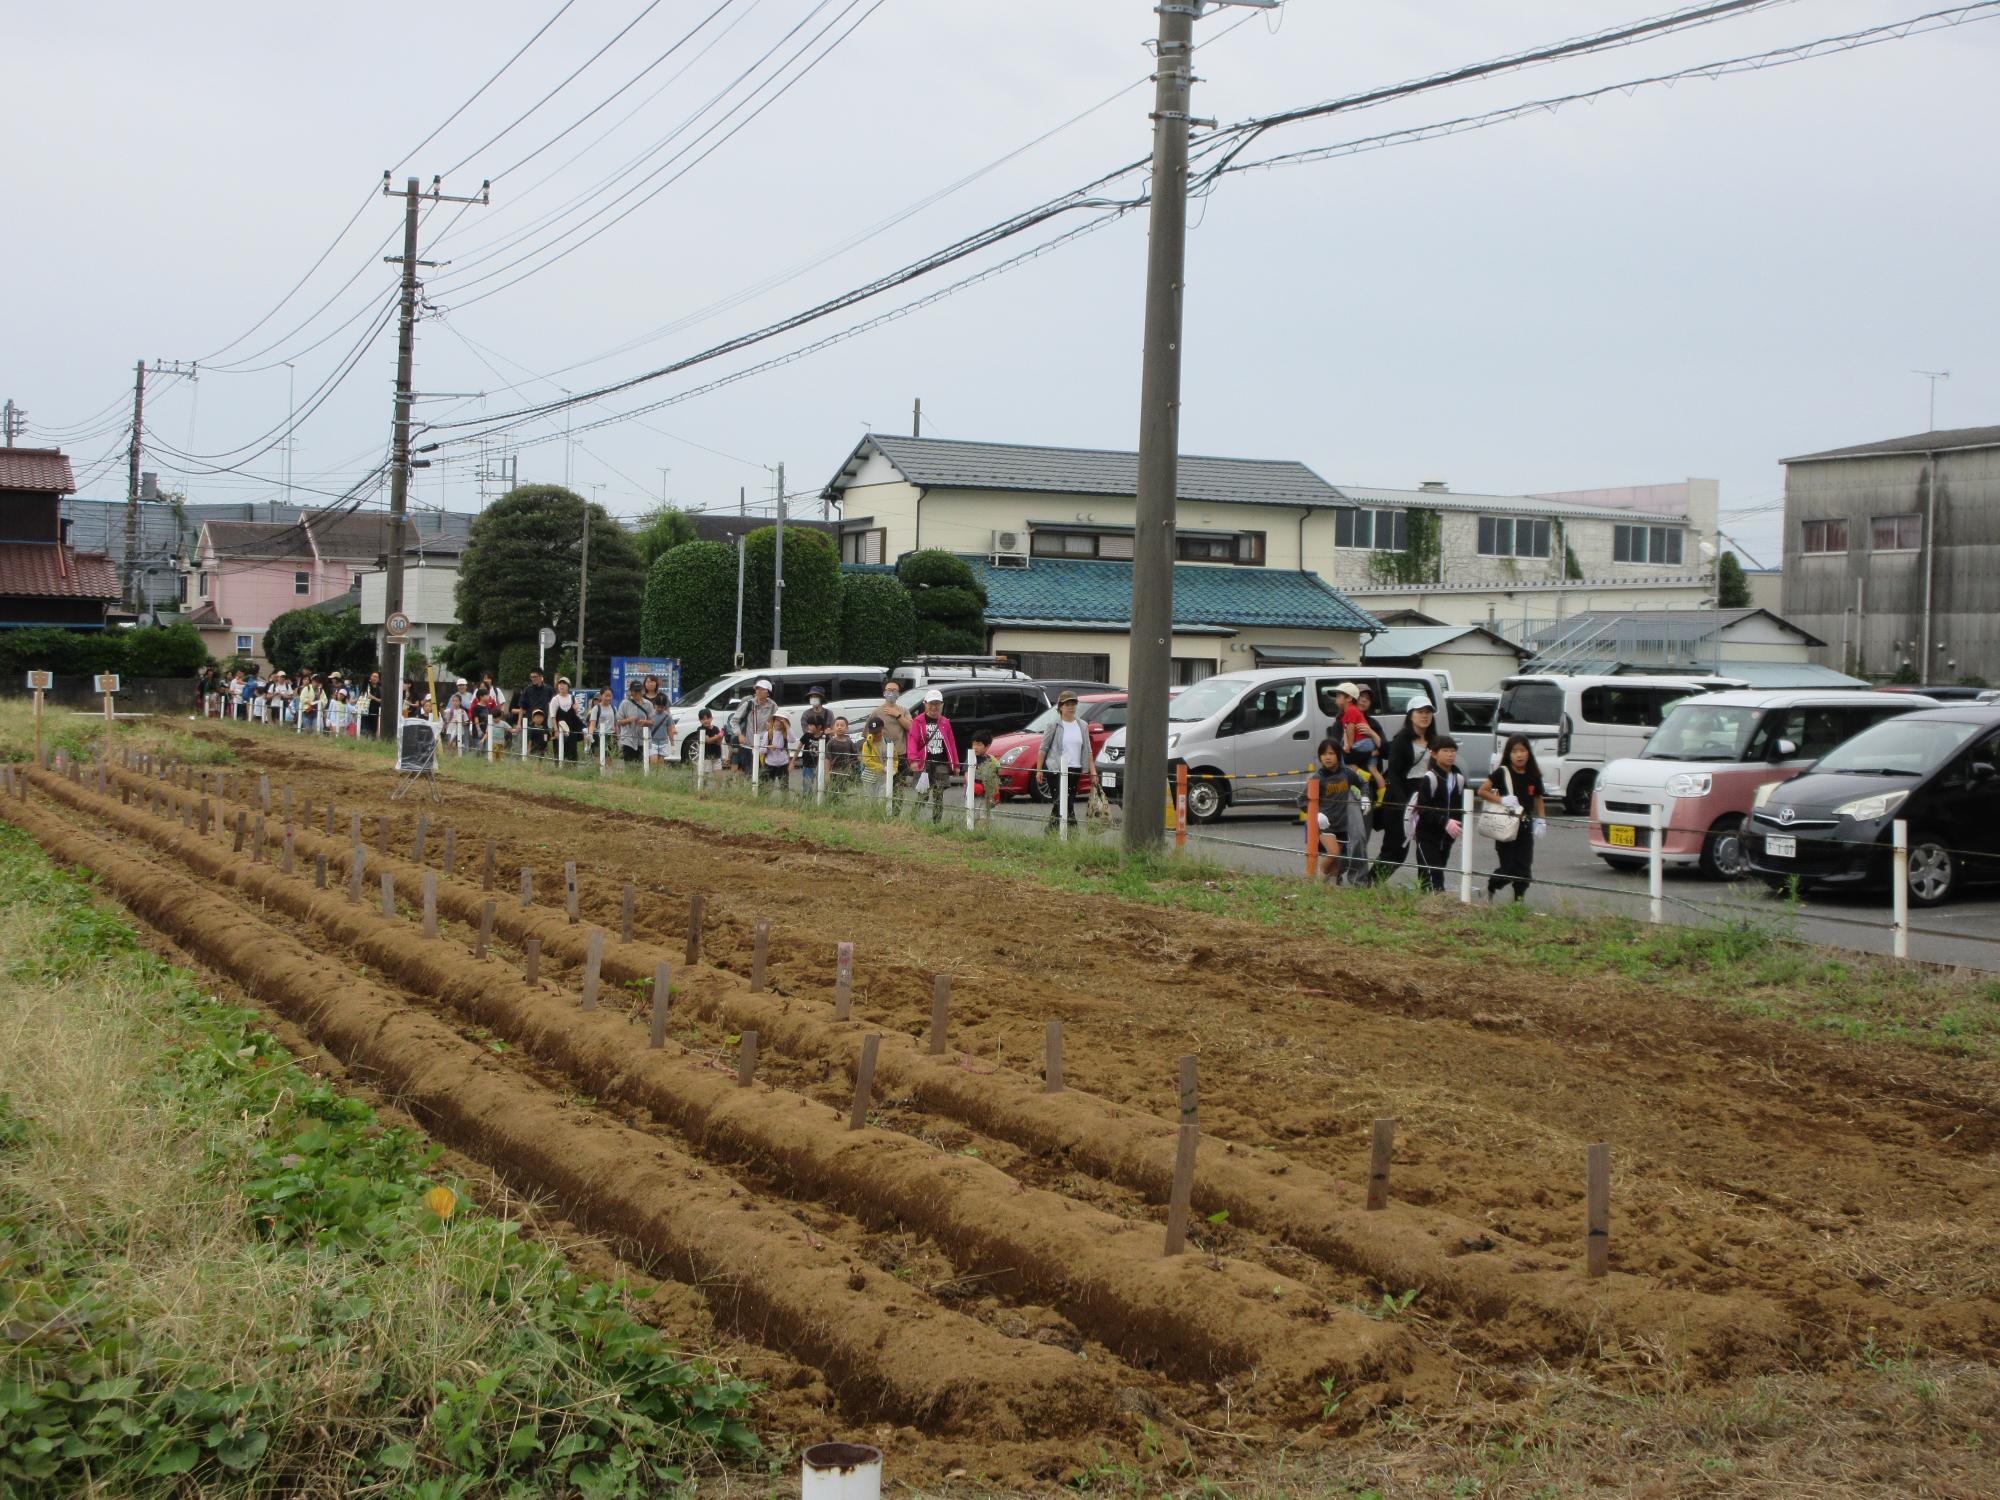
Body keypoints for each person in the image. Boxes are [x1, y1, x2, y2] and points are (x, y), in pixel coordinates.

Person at [1371, 698, 1437, 884]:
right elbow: (1394, 773)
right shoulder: (1401, 741)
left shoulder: (1434, 741)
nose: (1425, 715)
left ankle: (1427, 889)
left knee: (1428, 848)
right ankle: (1371, 884)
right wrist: (1404, 804)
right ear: (1410, 715)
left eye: (1428, 712)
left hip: (1425, 797)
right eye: (1420, 711)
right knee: (1396, 850)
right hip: (1401, 799)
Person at [1477, 734, 1549, 903]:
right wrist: (1501, 800)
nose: (1519, 755)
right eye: (1515, 751)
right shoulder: (1502, 772)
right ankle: (1491, 886)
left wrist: (1542, 820)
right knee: (1508, 868)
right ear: (1509, 754)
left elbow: (1538, 798)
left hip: (1525, 827)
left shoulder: (1533, 774)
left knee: (1524, 869)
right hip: (1506, 827)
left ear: (1528, 753)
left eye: (1522, 750)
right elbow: (1482, 791)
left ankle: (1518, 901)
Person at [1409, 735, 1466, 894]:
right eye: (1445, 750)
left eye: (1453, 751)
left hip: (1447, 838)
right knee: (1432, 876)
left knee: (1436, 872)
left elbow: (1462, 807)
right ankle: (1432, 904)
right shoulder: (1431, 777)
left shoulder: (1459, 778)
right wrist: (1444, 821)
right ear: (1434, 754)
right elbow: (1423, 809)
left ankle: (1426, 905)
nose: (1450, 754)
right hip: (1427, 836)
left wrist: (1459, 826)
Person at [1298, 738, 1352, 882]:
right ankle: (1314, 880)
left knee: (1336, 861)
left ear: (1338, 755)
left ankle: (1331, 889)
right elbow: (1301, 800)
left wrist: (1365, 796)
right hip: (1324, 825)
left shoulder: (1346, 774)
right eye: (1323, 754)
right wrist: (1316, 814)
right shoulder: (1318, 777)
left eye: (1331, 753)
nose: (1327, 757)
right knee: (1333, 853)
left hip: (1342, 824)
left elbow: (1362, 783)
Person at [1034, 689, 1089, 828]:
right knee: (1062, 802)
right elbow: (1043, 748)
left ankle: (1051, 832)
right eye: (1067, 704)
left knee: (1068, 802)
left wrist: (1092, 771)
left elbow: (1088, 750)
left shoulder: (1082, 725)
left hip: (1075, 769)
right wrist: (1039, 770)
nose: (1071, 707)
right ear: (1060, 707)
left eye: (1073, 704)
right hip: (1056, 769)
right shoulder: (1053, 725)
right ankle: (1073, 832)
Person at [906, 689, 960, 823]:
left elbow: (951, 743)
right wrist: (912, 759)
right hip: (924, 763)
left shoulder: (945, 722)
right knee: (923, 795)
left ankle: (936, 823)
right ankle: (912, 820)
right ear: (925, 704)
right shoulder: (918, 721)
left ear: (941, 704)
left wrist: (956, 764)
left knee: (938, 795)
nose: (934, 707)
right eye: (931, 703)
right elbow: (912, 740)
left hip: (941, 763)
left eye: (937, 703)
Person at [728, 679, 777, 775]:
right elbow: (734, 721)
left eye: (762, 689)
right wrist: (739, 734)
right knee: (749, 774)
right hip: (748, 745)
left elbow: (778, 723)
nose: (759, 691)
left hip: (765, 746)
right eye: (757, 689)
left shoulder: (773, 706)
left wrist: (772, 728)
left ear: (768, 692)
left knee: (764, 774)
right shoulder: (749, 704)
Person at [798, 686, 832, 796]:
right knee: (807, 783)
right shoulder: (806, 714)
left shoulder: (829, 713)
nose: (813, 698)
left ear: (821, 699)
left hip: (825, 752)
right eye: (811, 696)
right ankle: (807, 801)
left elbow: (831, 730)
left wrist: (827, 732)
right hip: (810, 754)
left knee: (824, 783)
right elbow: (807, 733)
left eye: (816, 696)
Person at [967, 730, 1000, 826]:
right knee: (972, 816)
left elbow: (995, 777)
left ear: (987, 746)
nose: (975, 747)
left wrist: (996, 792)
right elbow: (966, 773)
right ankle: (971, 834)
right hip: (973, 794)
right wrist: (971, 784)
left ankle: (983, 835)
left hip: (987, 794)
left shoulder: (992, 760)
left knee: (985, 817)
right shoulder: (971, 757)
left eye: (978, 745)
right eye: (973, 744)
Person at [859, 715, 891, 807]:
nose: (877, 735)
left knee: (881, 800)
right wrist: (882, 767)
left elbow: (893, 757)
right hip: (869, 776)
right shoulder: (867, 744)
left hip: (883, 777)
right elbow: (867, 761)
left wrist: (891, 768)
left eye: (879, 732)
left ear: (883, 729)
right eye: (874, 733)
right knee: (869, 801)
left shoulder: (888, 742)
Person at [615, 679, 650, 764]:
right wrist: (629, 720)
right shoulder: (624, 703)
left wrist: (644, 722)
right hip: (628, 739)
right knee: (629, 765)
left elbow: (653, 721)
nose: (638, 693)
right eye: (635, 691)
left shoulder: (648, 704)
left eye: (639, 690)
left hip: (643, 739)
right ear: (631, 691)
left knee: (642, 765)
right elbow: (618, 721)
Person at [512, 669, 554, 738]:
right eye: (531, 677)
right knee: (529, 745)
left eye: (535, 677)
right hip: (530, 722)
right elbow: (522, 707)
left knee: (543, 745)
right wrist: (519, 723)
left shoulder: (549, 689)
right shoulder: (527, 690)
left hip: (543, 723)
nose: (533, 679)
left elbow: (553, 705)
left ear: (541, 677)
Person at [759, 712, 793, 792]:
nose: (779, 723)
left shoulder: (785, 733)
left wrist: (787, 727)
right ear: (773, 721)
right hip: (770, 764)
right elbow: (761, 750)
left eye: (782, 721)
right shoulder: (768, 734)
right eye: (777, 720)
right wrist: (769, 748)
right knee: (767, 787)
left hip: (783, 764)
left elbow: (793, 739)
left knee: (784, 788)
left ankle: (784, 803)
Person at [826, 716, 860, 794]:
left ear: (847, 728)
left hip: (846, 773)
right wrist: (827, 773)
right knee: (833, 792)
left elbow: (855, 757)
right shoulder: (831, 743)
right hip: (833, 772)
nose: (839, 727)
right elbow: (827, 759)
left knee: (843, 792)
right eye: (837, 725)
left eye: (842, 725)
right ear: (833, 728)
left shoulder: (849, 742)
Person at [693, 708, 725, 773]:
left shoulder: (716, 728)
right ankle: (703, 783)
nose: (706, 721)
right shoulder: (700, 729)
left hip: (716, 756)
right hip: (706, 757)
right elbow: (707, 740)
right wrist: (718, 736)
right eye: (703, 719)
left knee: (718, 777)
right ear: (700, 720)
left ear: (711, 718)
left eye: (708, 718)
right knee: (706, 777)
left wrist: (721, 735)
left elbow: (718, 743)